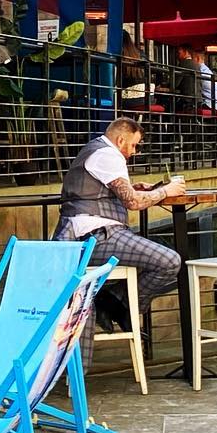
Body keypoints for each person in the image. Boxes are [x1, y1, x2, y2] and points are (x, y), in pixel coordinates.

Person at [52, 117, 184, 365]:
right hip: (95, 237)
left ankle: (111, 299)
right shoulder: (107, 154)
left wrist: (136, 187)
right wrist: (166, 191)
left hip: (91, 236)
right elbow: (132, 203)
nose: (133, 153)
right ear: (121, 139)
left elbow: (104, 191)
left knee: (165, 253)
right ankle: (121, 305)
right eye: (134, 145)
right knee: (171, 261)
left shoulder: (95, 150)